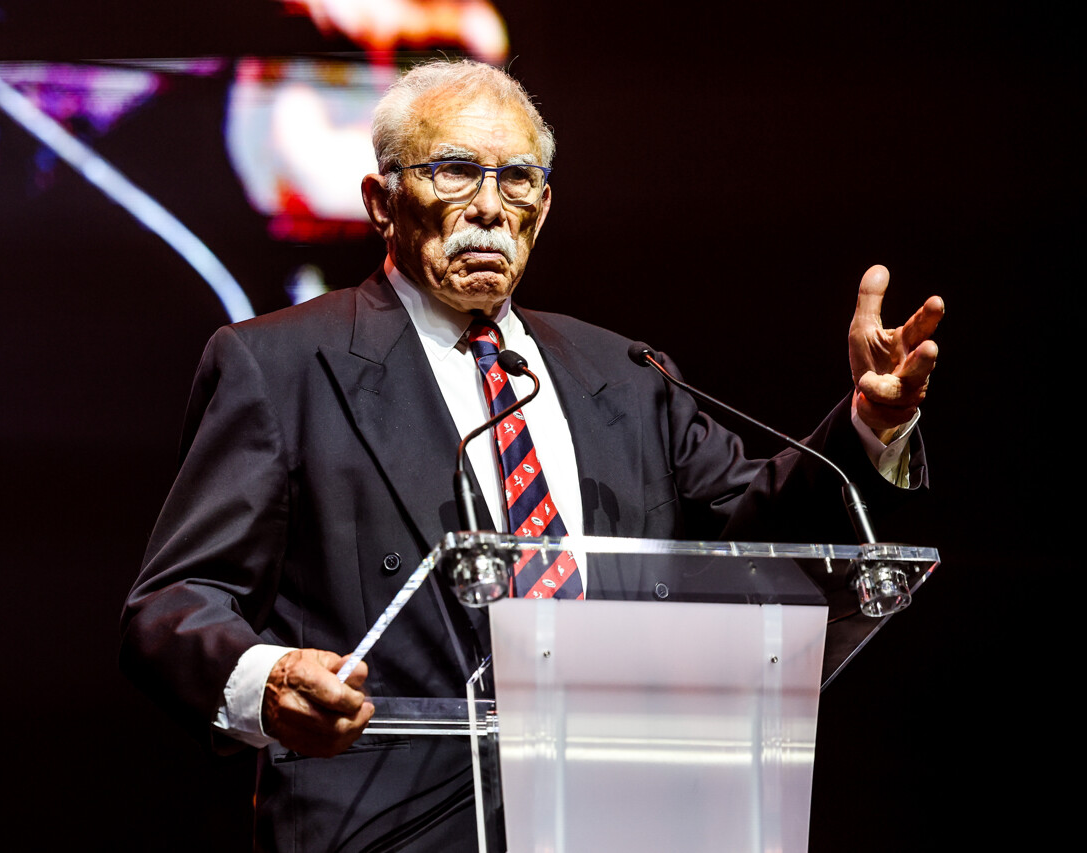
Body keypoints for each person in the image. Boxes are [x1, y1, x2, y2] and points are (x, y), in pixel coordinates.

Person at [120, 59, 942, 852]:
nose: (487, 206)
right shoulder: (282, 364)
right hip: (389, 821)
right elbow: (174, 601)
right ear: (381, 201)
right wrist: (262, 678)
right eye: (452, 171)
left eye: (515, 180)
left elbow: (764, 536)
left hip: (621, 814)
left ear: (542, 209)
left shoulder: (625, 374)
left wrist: (871, 423)